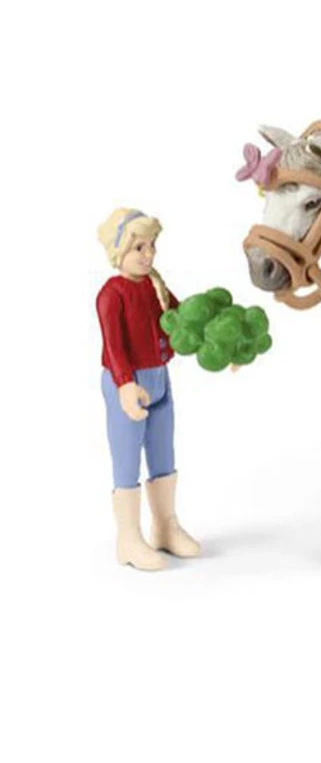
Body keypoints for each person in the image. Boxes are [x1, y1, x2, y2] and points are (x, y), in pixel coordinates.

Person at [96, 208, 200, 570]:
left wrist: (216, 340)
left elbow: (184, 319)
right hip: (127, 384)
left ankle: (165, 525)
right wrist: (125, 384)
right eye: (139, 247)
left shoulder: (157, 287)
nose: (148, 253)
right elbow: (113, 346)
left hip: (159, 379)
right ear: (119, 250)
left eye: (152, 245)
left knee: (162, 453)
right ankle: (128, 538)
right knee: (126, 459)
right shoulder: (111, 293)